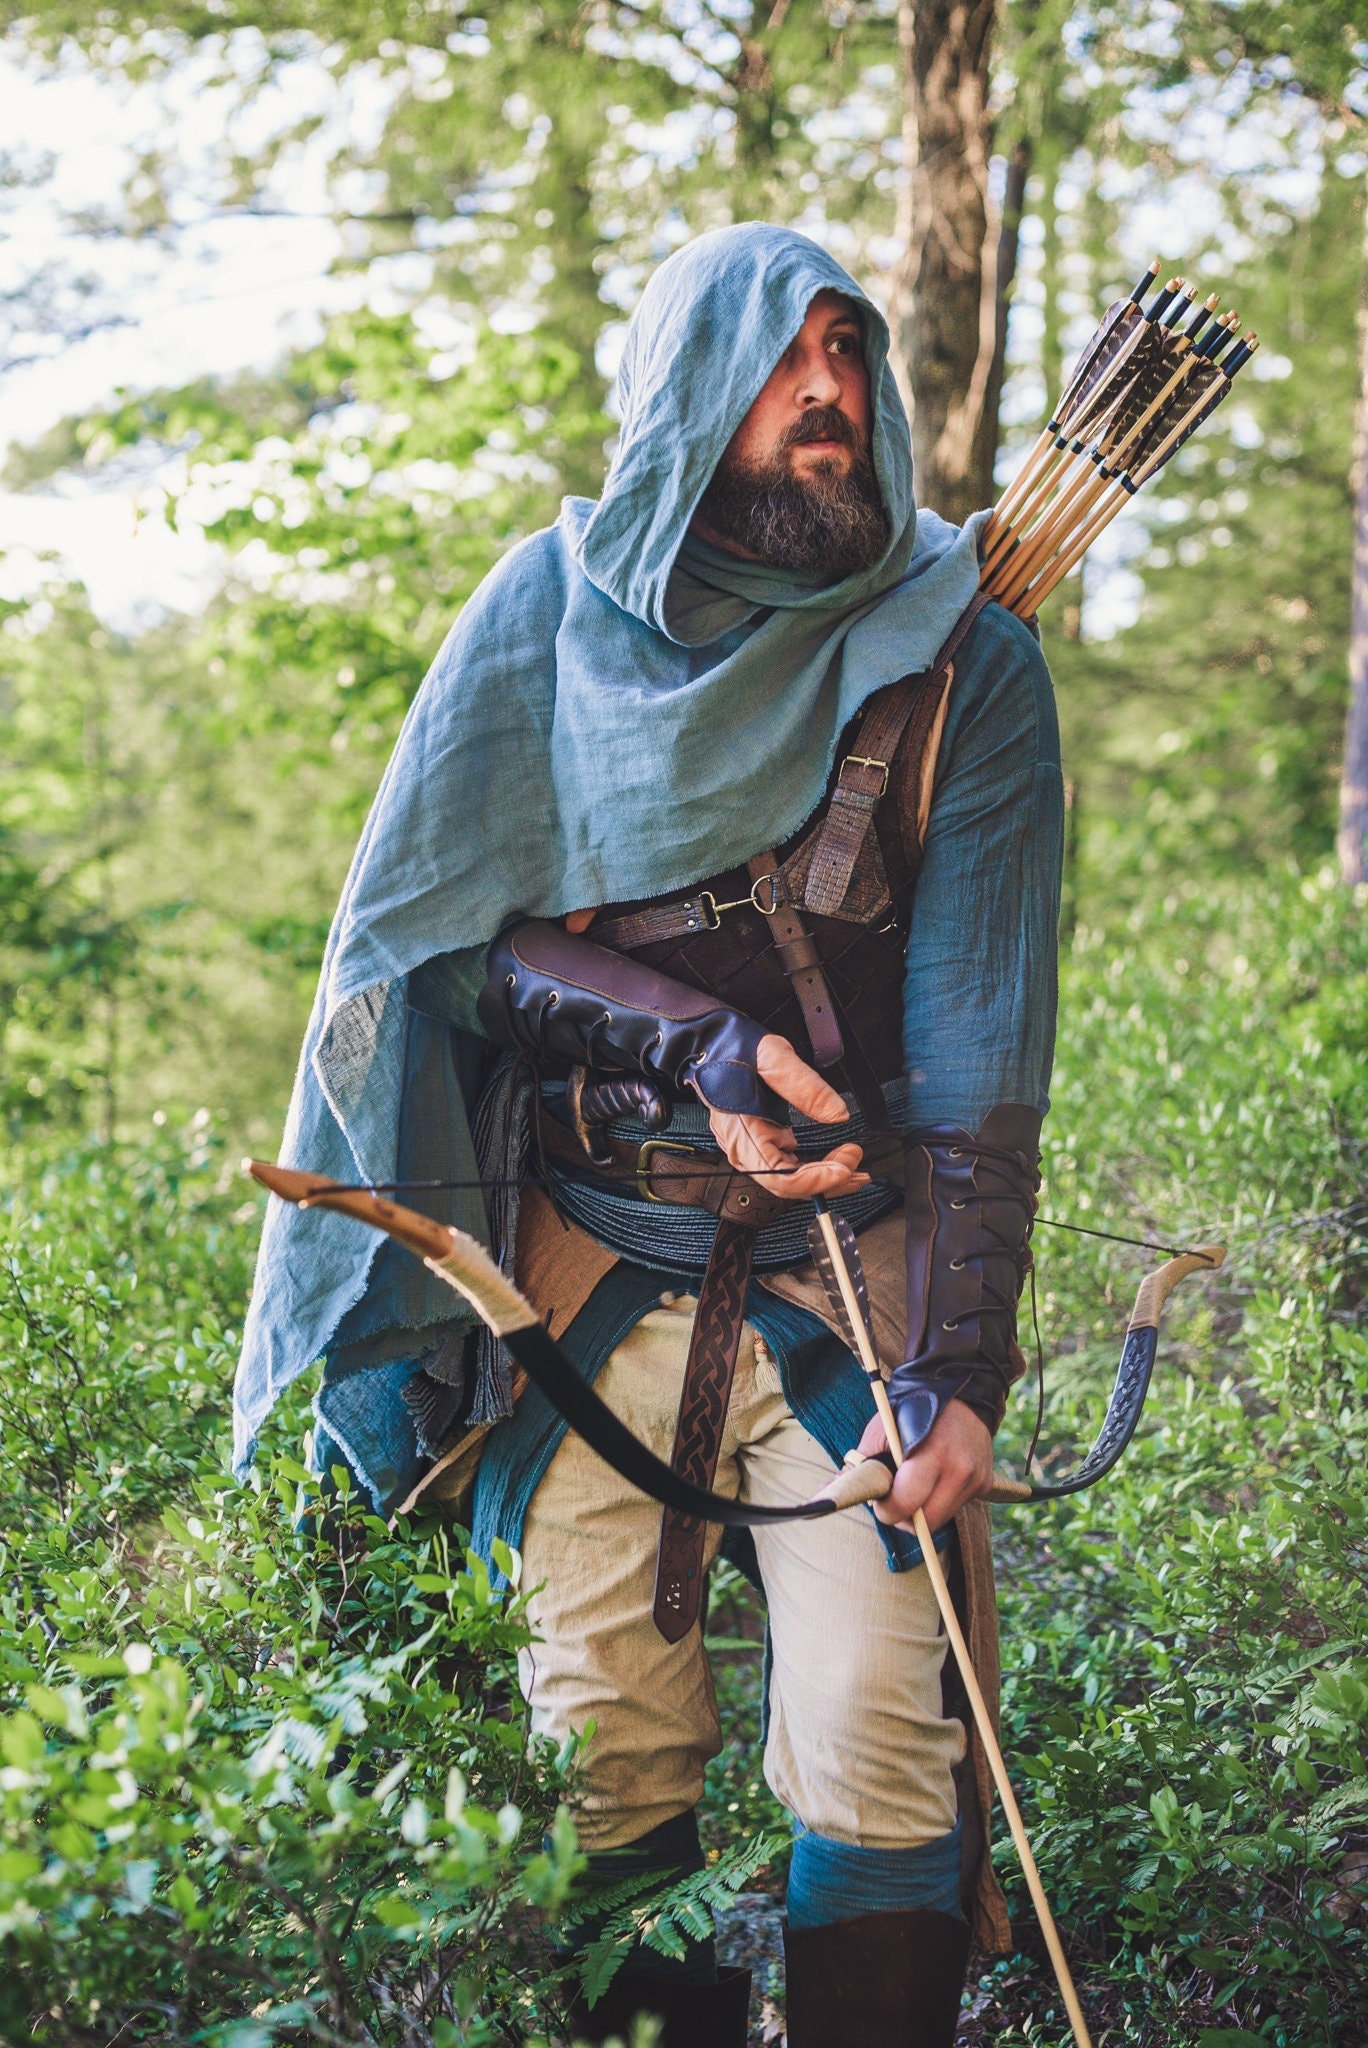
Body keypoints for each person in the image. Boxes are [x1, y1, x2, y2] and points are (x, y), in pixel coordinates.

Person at [234, 223, 1063, 2048]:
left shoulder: (963, 653)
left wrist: (964, 1368)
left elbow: (986, 1041)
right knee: (601, 1750)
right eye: (786, 361)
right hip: (586, 1268)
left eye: (850, 356)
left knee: (877, 1742)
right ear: (693, 392)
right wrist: (696, 1043)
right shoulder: (539, 623)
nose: (831, 395)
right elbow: (442, 940)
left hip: (857, 1288)